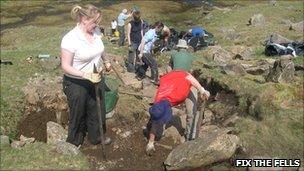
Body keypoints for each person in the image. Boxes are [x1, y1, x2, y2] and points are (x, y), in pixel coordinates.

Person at [60, 4, 112, 147]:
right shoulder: (70, 39)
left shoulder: (95, 32)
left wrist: (106, 61)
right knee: (78, 112)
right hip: (76, 82)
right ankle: (74, 142)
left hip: (96, 78)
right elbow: (65, 66)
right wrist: (85, 75)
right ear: (84, 19)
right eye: (94, 22)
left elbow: (100, 49)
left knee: (97, 110)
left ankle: (96, 137)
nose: (97, 25)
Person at [145, 70, 210, 155]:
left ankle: (190, 137)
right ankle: (154, 135)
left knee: (192, 113)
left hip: (184, 80)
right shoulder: (159, 99)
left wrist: (202, 90)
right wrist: (150, 143)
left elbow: (189, 77)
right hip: (172, 88)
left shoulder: (182, 84)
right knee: (157, 118)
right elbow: (156, 118)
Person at [167, 39, 201, 142]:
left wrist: (170, 75)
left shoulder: (173, 55)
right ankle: (190, 135)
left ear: (178, 48)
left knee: (167, 104)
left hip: (176, 83)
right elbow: (192, 70)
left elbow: (169, 67)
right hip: (189, 83)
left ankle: (160, 128)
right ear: (186, 48)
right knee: (191, 112)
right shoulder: (191, 56)